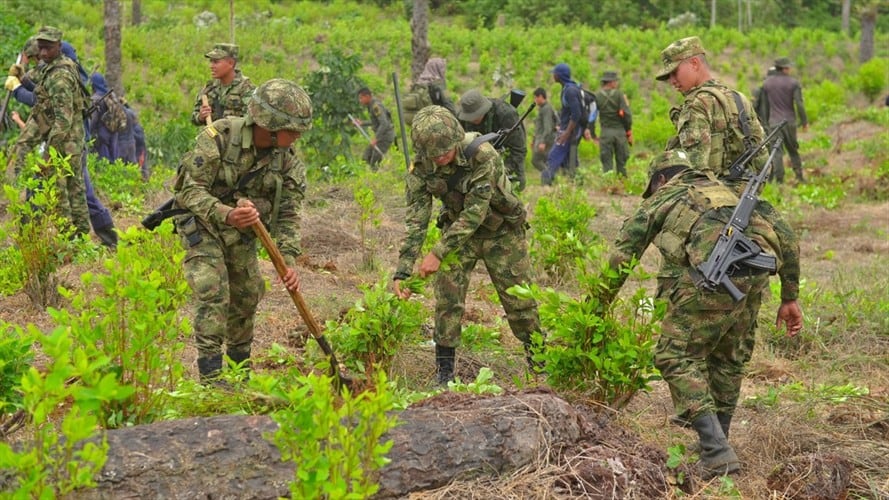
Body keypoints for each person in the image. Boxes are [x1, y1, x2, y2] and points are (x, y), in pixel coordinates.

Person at [601, 149, 803, 479]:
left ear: (661, 180)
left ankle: (716, 449)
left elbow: (623, 254)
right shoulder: (728, 190)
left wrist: (599, 305)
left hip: (711, 277)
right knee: (728, 358)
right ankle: (718, 443)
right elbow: (788, 237)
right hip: (754, 277)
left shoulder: (665, 195)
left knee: (674, 356)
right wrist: (789, 297)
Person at [173, 79, 311, 382]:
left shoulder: (288, 163)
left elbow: (289, 213)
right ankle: (211, 379)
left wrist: (287, 259)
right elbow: (188, 191)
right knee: (213, 289)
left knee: (247, 295)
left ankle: (239, 374)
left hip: (242, 233)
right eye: (293, 130)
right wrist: (227, 214)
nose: (298, 137)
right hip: (204, 224)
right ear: (271, 126)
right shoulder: (219, 137)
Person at [392, 106, 542, 386]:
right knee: (447, 300)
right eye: (434, 155)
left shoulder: (483, 155)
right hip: (458, 235)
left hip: (502, 233)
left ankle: (540, 363)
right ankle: (445, 373)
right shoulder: (421, 170)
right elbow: (416, 222)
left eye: (446, 151)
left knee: (519, 302)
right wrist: (402, 271)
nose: (441, 158)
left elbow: (475, 212)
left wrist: (437, 253)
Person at [8, 26, 91, 240]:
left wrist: (49, 154)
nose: (43, 53)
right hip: (63, 137)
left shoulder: (61, 76)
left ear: (59, 47)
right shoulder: (51, 66)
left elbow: (63, 120)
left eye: (48, 48)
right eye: (41, 48)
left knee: (65, 189)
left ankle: (73, 237)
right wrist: (21, 76)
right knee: (71, 187)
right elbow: (37, 79)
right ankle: (77, 236)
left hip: (67, 140)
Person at [656, 36, 767, 191]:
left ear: (694, 63)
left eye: (675, 72)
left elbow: (695, 170)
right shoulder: (739, 98)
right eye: (669, 76)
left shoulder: (697, 105)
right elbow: (762, 160)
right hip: (746, 192)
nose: (672, 81)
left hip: (711, 199)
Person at [456, 89, 527, 191]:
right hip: (479, 163)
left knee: (512, 192)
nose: (472, 120)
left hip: (507, 159)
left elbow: (518, 149)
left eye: (476, 116)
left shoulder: (505, 114)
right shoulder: (462, 116)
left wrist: (504, 170)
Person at [761, 57, 809, 183]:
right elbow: (799, 103)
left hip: (773, 122)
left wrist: (766, 123)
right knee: (793, 149)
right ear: (785, 68)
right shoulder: (793, 83)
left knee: (777, 152)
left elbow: (765, 106)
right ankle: (799, 176)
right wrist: (804, 122)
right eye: (789, 67)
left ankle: (780, 180)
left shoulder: (767, 83)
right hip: (789, 121)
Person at [191, 43, 255, 126]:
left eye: (216, 62)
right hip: (212, 137)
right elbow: (194, 117)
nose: (211, 66)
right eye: (211, 61)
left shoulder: (246, 88)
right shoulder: (210, 88)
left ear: (231, 63)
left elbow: (252, 120)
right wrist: (201, 116)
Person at [542, 63, 584, 186]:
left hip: (569, 131)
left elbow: (576, 114)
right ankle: (576, 184)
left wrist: (566, 133)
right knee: (569, 160)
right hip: (570, 130)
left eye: (554, 73)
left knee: (553, 157)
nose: (553, 75)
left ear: (559, 75)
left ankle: (546, 185)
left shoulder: (570, 91)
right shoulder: (569, 88)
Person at [591, 71, 633, 177]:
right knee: (622, 162)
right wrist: (628, 131)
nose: (616, 83)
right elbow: (627, 115)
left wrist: (593, 134)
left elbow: (592, 117)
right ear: (611, 82)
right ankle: (622, 183)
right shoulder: (619, 95)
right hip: (620, 132)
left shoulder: (597, 96)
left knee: (607, 162)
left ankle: (608, 184)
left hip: (605, 133)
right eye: (615, 81)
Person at [355, 87, 394, 170]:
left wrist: (376, 138)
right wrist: (362, 123)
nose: (360, 101)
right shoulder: (371, 106)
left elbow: (384, 124)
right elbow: (376, 122)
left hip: (385, 137)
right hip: (381, 136)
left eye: (361, 98)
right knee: (366, 157)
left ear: (367, 96)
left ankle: (377, 178)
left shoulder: (376, 106)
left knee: (374, 162)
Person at [88, 72, 121, 162]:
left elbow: (92, 121)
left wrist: (88, 134)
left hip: (101, 137)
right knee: (113, 161)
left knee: (103, 163)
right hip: (113, 133)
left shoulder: (96, 99)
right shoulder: (111, 95)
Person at [530, 87, 557, 173]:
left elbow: (547, 127)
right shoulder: (543, 108)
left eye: (536, 97)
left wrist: (543, 142)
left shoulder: (546, 109)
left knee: (536, 160)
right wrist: (534, 140)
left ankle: (548, 177)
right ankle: (549, 178)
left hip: (547, 140)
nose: (535, 100)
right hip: (543, 139)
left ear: (541, 96)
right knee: (546, 161)